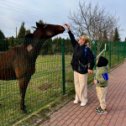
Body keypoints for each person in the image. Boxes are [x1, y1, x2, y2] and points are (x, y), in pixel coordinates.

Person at [64, 24, 95, 106]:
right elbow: (72, 39)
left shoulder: (87, 49)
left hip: (82, 69)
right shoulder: (76, 46)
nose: (79, 39)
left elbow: (92, 59)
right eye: (80, 38)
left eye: (81, 39)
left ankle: (84, 99)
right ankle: (77, 97)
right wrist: (69, 30)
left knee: (83, 85)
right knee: (76, 84)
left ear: (84, 41)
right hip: (75, 68)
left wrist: (90, 68)